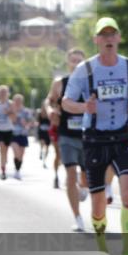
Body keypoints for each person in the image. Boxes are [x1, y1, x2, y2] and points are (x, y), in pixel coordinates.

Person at [62, 18, 128, 255]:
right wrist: (83, 107)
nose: (109, 38)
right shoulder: (84, 70)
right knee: (98, 203)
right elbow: (66, 102)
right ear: (96, 40)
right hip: (95, 139)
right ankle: (101, 249)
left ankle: (127, 254)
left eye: (113, 34)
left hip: (123, 136)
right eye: (103, 35)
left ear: (119, 38)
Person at [46, 48, 89, 231]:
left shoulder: (91, 83)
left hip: (88, 137)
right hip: (66, 136)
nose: (76, 63)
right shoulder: (59, 83)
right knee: (71, 173)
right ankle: (77, 217)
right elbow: (48, 101)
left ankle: (84, 187)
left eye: (80, 60)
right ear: (68, 63)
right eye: (73, 60)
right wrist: (51, 111)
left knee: (86, 178)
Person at [9, 94, 34, 180]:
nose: (17, 102)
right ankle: (16, 170)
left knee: (21, 155)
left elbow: (31, 121)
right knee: (16, 152)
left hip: (23, 134)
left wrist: (27, 125)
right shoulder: (11, 111)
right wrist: (14, 114)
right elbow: (10, 120)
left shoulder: (26, 111)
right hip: (13, 134)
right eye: (16, 101)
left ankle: (17, 170)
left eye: (19, 101)